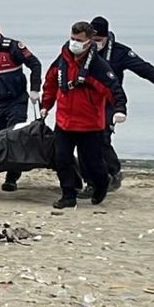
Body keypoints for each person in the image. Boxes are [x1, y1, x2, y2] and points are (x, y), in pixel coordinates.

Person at [85, 16, 154, 196]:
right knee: (84, 142)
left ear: (106, 37)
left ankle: (113, 172)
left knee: (101, 139)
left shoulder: (120, 52)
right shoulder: (81, 49)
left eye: (98, 40)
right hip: (84, 102)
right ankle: (92, 183)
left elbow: (145, 69)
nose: (95, 43)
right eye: (92, 39)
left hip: (109, 102)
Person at [40, 21, 127, 209]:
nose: (74, 43)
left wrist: (120, 109)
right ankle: (68, 195)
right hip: (64, 121)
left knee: (92, 163)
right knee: (62, 158)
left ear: (88, 42)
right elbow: (51, 82)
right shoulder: (62, 59)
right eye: (72, 38)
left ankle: (102, 183)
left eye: (78, 40)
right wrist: (46, 105)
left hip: (89, 125)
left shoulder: (97, 66)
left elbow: (113, 89)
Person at [0, 16, 41, 191]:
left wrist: (35, 89)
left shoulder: (13, 47)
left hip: (16, 100)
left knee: (15, 137)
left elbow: (35, 64)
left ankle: (12, 177)